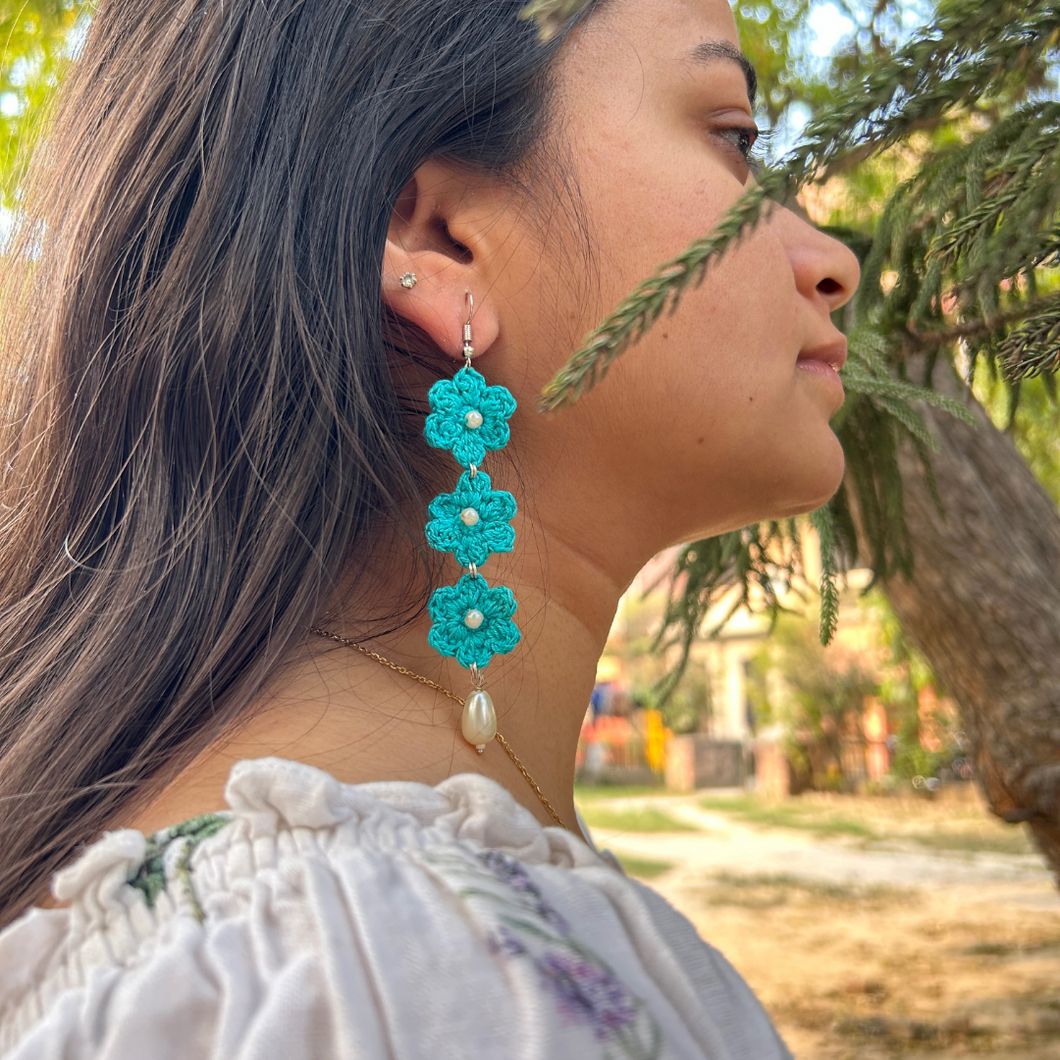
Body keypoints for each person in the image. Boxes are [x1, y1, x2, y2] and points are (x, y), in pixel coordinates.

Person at [0, 0, 858, 1055]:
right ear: (439, 243)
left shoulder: (379, 930)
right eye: (734, 141)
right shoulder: (379, 976)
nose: (830, 261)